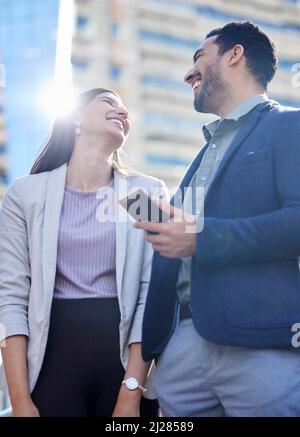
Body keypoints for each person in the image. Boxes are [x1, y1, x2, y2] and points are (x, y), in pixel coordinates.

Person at [135, 22, 300, 417]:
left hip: (258, 348)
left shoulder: (289, 125)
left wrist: (201, 238)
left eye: (198, 59)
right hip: (183, 351)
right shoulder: (203, 155)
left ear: (234, 55)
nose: (187, 74)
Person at [0, 88, 166, 417]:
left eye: (125, 109)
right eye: (109, 102)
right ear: (75, 118)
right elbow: (11, 296)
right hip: (51, 366)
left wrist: (131, 392)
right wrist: (19, 401)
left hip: (123, 366)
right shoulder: (26, 194)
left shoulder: (142, 194)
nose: (123, 112)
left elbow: (153, 293)